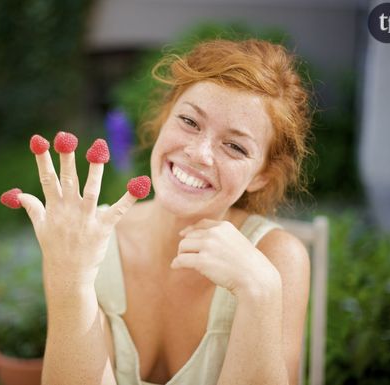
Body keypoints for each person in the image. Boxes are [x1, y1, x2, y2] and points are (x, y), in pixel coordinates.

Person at [16, 38, 313, 385]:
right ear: (165, 118)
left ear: (262, 174)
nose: (199, 152)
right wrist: (69, 278)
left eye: (234, 146)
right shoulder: (91, 240)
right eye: (189, 121)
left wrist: (260, 293)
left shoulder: (275, 260)